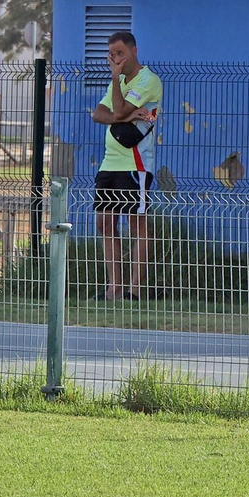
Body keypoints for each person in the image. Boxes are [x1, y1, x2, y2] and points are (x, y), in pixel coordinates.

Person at [90, 30, 162, 302]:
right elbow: (99, 113)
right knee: (105, 222)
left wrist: (122, 112)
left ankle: (134, 289)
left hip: (135, 163)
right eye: (111, 55)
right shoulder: (117, 83)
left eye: (119, 53)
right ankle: (114, 287)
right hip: (110, 162)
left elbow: (116, 111)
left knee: (136, 224)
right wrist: (125, 114)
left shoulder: (148, 80)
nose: (115, 59)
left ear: (134, 50)